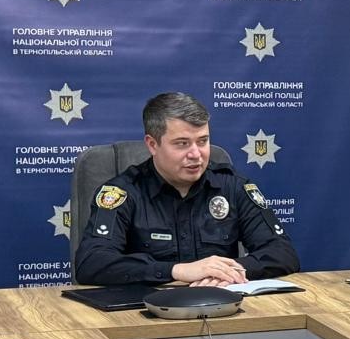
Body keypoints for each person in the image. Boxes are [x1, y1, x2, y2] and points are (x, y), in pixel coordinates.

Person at [75, 92, 299, 287]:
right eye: (182, 143)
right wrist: (177, 271)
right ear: (152, 144)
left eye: (202, 141)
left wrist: (225, 271)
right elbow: (91, 263)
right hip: (146, 312)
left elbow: (283, 253)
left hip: (221, 307)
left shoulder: (232, 186)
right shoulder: (123, 192)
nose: (195, 154)